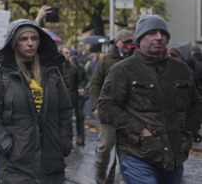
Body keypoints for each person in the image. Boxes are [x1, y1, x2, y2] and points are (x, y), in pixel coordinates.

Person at [99, 15, 202, 184]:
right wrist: (139, 129)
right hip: (137, 154)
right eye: (152, 33)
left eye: (163, 33)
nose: (159, 37)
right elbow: (106, 107)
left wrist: (189, 130)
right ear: (140, 38)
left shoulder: (180, 69)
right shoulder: (123, 70)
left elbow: (196, 103)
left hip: (174, 154)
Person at [0, 19, 72, 184]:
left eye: (34, 38)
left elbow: (65, 110)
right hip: (16, 164)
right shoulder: (1, 74)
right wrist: (6, 144)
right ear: (14, 43)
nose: (30, 43)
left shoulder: (52, 73)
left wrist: (64, 141)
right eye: (23, 39)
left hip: (51, 162)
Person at [89, 29, 133, 184]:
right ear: (117, 43)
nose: (128, 45)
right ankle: (100, 172)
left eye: (130, 42)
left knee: (129, 150)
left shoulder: (137, 59)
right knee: (105, 147)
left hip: (130, 113)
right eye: (125, 42)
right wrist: (95, 106)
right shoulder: (106, 59)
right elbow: (95, 84)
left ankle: (123, 180)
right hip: (109, 112)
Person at [60, 45, 88, 146]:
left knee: (79, 118)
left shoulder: (75, 67)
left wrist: (81, 87)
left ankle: (80, 138)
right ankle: (68, 141)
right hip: (64, 98)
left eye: (69, 53)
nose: (69, 55)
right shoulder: (57, 66)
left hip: (75, 97)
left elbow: (80, 81)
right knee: (67, 120)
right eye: (66, 53)